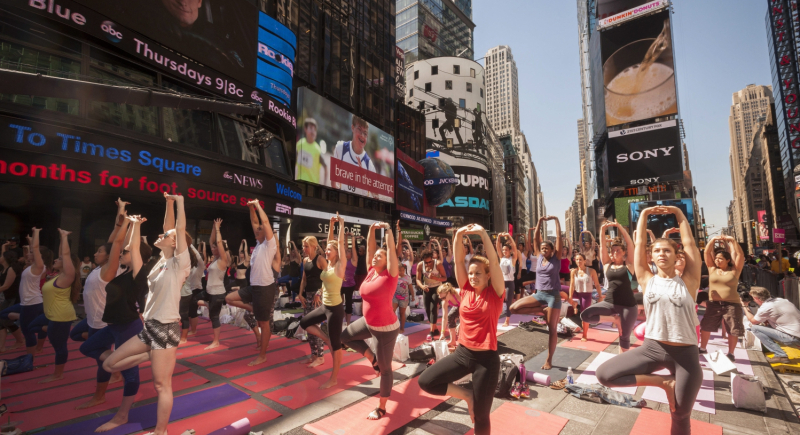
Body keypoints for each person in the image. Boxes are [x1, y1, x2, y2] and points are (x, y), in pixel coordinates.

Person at [596, 206, 702, 435]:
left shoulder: (690, 280)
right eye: (657, 251)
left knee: (681, 414)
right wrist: (643, 215)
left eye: (667, 251)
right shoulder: (646, 278)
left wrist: (679, 214)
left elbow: (690, 244)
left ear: (677, 256)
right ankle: (662, 383)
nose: (662, 254)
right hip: (652, 349)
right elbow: (638, 245)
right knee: (604, 375)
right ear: (651, 256)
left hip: (685, 355)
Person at [102, 193, 191, 435]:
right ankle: (153, 357)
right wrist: (137, 224)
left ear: (176, 243)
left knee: (162, 385)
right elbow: (140, 246)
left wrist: (179, 201)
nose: (163, 235)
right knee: (110, 364)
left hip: (165, 329)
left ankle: (160, 432)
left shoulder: (180, 265)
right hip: (149, 328)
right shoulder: (161, 262)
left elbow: (177, 228)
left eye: (168, 236)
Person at [419, 224, 504, 435]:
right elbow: (458, 261)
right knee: (426, 381)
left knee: (481, 417)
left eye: (478, 274)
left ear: (488, 276)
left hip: (486, 361)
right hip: (463, 353)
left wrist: (484, 234)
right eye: (471, 273)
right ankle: (467, 394)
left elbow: (493, 262)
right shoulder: (465, 289)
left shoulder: (495, 294)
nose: (473, 276)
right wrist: (457, 235)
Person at [340, 220, 400, 420]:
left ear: (387, 260)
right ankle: (372, 358)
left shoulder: (390, 275)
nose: (375, 256)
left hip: (385, 328)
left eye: (379, 256)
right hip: (368, 322)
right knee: (345, 337)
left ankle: (382, 408)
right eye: (374, 255)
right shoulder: (371, 272)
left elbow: (390, 250)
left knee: (385, 370)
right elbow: (370, 249)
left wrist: (389, 231)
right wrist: (371, 230)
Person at [225, 199, 279, 366]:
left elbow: (263, 222)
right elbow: (255, 221)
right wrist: (251, 208)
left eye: (260, 230)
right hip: (253, 287)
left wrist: (258, 205)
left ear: (266, 232)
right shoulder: (258, 244)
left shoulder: (270, 244)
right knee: (229, 298)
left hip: (265, 288)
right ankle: (254, 309)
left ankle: (262, 355)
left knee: (263, 323)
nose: (256, 231)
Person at [299, 214, 347, 389]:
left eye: (329, 250)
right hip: (324, 305)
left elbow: (339, 244)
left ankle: (334, 378)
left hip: (334, 309)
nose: (326, 251)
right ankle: (325, 338)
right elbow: (331, 242)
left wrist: (341, 224)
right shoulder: (328, 264)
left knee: (336, 345)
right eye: (325, 249)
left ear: (336, 252)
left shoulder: (340, 265)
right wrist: (330, 224)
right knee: (304, 322)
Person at [509, 216, 563, 370]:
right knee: (513, 308)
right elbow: (535, 238)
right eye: (543, 248)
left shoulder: (556, 259)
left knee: (552, 330)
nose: (544, 250)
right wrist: (539, 221)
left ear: (552, 250)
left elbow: (559, 237)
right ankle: (542, 311)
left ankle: (549, 360)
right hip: (539, 294)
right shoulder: (538, 257)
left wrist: (556, 221)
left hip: (553, 296)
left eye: (547, 248)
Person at [30, 228, 81, 383]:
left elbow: (65, 255)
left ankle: (58, 374)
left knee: (59, 347)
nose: (56, 260)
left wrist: (65, 237)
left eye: (59, 260)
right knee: (31, 327)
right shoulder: (57, 276)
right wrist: (61, 239)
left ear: (67, 265)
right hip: (51, 316)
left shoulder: (67, 276)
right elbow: (62, 254)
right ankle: (51, 330)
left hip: (60, 316)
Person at [580, 222, 638, 354]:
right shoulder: (607, 264)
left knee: (624, 337)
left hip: (628, 306)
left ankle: (621, 363)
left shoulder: (629, 265)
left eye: (618, 250)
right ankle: (614, 319)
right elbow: (602, 248)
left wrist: (620, 227)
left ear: (624, 253)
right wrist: (602, 230)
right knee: (586, 315)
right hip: (610, 303)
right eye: (612, 251)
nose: (614, 253)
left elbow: (630, 244)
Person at [698, 236, 744, 361]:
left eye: (720, 259)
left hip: (732, 304)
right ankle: (702, 348)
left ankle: (731, 353)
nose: (717, 260)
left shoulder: (735, 270)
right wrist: (712, 241)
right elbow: (707, 253)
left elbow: (740, 255)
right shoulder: (712, 269)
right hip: (713, 303)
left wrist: (733, 241)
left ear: (728, 260)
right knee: (706, 326)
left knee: (732, 329)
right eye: (716, 258)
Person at [743, 286, 800, 364]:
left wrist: (745, 306)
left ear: (756, 298)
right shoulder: (782, 300)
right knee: (764, 326)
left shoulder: (766, 307)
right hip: (796, 335)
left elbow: (753, 321)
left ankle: (780, 355)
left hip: (793, 338)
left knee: (755, 328)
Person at [196, 219, 228, 349]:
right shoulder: (215, 259)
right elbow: (212, 241)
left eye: (215, 247)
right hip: (209, 292)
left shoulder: (223, 259)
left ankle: (216, 341)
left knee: (214, 317)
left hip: (217, 293)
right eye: (213, 247)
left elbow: (218, 242)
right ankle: (209, 304)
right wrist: (214, 227)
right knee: (193, 299)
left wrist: (219, 228)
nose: (213, 248)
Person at [19, 228, 52, 356]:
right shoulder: (32, 266)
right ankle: (50, 327)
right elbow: (33, 249)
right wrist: (31, 239)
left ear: (39, 256)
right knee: (27, 327)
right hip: (30, 301)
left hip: (31, 302)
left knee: (28, 331)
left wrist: (36, 233)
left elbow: (36, 248)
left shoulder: (39, 266)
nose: (28, 254)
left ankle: (29, 358)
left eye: (31, 253)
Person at [298, 236, 327, 367]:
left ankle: (320, 356)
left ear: (314, 246)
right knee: (308, 327)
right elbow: (304, 279)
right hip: (308, 297)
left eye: (306, 246)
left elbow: (328, 279)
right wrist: (300, 294)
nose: (304, 249)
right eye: (303, 246)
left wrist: (319, 293)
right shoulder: (305, 260)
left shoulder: (320, 259)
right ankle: (313, 354)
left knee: (316, 327)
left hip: (317, 298)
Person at [332, 115, 378, 198]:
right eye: (359, 129)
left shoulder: (368, 164)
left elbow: (376, 196)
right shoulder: (340, 148)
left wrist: (366, 179)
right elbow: (333, 183)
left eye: (365, 133)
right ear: (352, 128)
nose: (362, 135)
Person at [569, 253, 602, 342]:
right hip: (577, 293)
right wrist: (570, 298)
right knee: (560, 288)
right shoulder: (573, 271)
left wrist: (600, 296)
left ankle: (584, 334)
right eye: (577, 260)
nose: (578, 261)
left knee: (584, 315)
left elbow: (597, 284)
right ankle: (574, 304)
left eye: (580, 259)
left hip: (586, 295)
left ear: (584, 261)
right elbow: (571, 285)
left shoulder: (591, 271)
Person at [417, 248, 447, 341]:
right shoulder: (420, 265)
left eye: (430, 262)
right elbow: (418, 279)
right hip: (426, 288)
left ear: (432, 259)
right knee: (427, 309)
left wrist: (435, 277)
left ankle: (431, 331)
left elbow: (445, 278)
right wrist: (422, 286)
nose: (428, 264)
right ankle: (435, 329)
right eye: (426, 262)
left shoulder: (438, 264)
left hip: (436, 287)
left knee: (433, 308)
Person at [178, 243, 202, 344]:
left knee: (184, 315)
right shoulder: (186, 265)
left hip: (185, 293)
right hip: (181, 292)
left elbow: (199, 259)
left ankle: (184, 337)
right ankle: (182, 335)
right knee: (181, 315)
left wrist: (190, 244)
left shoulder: (190, 266)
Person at [0, 251, 24, 351]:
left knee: (7, 321)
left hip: (15, 298)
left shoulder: (11, 269)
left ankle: (20, 341)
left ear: (5, 258)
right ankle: (2, 346)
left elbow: (6, 286)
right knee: (1, 321)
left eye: (1, 255)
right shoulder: (3, 269)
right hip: (8, 298)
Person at [295, 118, 328, 185]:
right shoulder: (299, 144)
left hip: (312, 186)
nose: (313, 131)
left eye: (314, 129)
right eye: (310, 128)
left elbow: (326, 166)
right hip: (299, 183)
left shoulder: (318, 150)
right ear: (305, 129)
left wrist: (324, 184)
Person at [497, 233, 518, 328]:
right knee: (498, 301)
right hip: (501, 282)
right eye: (503, 250)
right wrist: (498, 237)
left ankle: (507, 320)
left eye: (506, 250)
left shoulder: (513, 259)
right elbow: (497, 247)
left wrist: (509, 237)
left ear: (510, 251)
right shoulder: (501, 258)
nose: (504, 251)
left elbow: (514, 246)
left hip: (509, 283)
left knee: (508, 301)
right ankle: (497, 316)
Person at [341, 233, 359, 325]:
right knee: (339, 303)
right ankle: (342, 319)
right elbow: (345, 248)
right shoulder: (344, 260)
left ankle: (348, 323)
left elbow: (353, 248)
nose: (346, 252)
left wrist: (352, 237)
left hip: (349, 285)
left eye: (348, 251)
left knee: (348, 304)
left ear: (351, 253)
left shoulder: (353, 260)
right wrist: (345, 237)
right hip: (341, 284)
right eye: (346, 251)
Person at [438, 282, 461, 349]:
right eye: (441, 298)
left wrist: (460, 324)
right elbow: (444, 318)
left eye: (443, 298)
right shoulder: (445, 301)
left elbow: (465, 312)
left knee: (463, 324)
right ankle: (452, 340)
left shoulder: (458, 295)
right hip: (458, 305)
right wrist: (442, 332)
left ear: (448, 293)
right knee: (450, 316)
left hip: (468, 305)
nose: (442, 300)